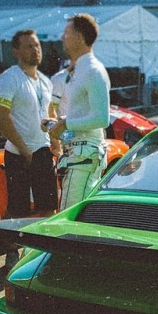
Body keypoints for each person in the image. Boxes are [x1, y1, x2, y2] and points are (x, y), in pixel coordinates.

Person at [0, 29, 58, 270]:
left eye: (37, 45)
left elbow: (48, 114)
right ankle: (11, 254)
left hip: (41, 150)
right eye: (29, 46)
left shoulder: (45, 81)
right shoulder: (9, 78)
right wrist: (23, 149)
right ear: (17, 51)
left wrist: (56, 141)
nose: (35, 50)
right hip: (18, 153)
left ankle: (37, 253)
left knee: (48, 207)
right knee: (17, 209)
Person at [47, 13, 110, 210]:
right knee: (72, 215)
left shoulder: (93, 70)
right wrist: (57, 124)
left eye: (67, 33)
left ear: (80, 38)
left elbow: (102, 118)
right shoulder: (81, 70)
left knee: (70, 217)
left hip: (84, 156)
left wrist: (65, 123)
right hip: (78, 155)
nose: (62, 38)